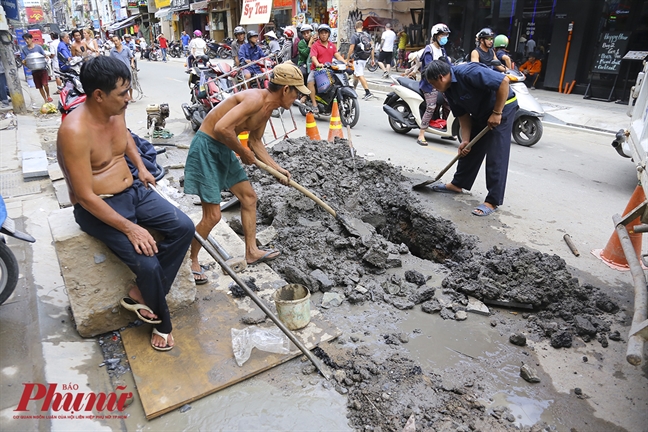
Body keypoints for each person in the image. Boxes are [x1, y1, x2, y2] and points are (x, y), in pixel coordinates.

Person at [57, 56, 194, 351]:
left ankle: (142, 295)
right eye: (122, 93)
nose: (129, 99)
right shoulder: (74, 131)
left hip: (133, 190)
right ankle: (163, 323)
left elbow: (126, 140)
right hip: (99, 205)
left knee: (184, 226)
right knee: (148, 264)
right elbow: (84, 196)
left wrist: (141, 167)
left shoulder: (116, 111)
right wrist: (131, 229)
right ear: (98, 95)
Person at [183, 63, 310, 283]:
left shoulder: (268, 109)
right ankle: (191, 260)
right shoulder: (254, 99)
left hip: (223, 147)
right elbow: (221, 128)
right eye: (297, 92)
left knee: (249, 198)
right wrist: (242, 152)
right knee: (213, 216)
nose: (298, 97)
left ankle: (251, 251)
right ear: (286, 89)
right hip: (207, 147)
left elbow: (256, 142)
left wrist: (278, 170)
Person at [424, 59, 518, 216]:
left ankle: (492, 201)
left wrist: (497, 113)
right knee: (469, 149)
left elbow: (504, 81)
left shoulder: (469, 73)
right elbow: (462, 115)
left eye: (434, 84)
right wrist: (466, 141)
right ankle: (458, 184)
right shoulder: (448, 90)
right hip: (482, 112)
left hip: (503, 107)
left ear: (441, 77)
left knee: (496, 153)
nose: (434, 88)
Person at [416, 23, 452, 146]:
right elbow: (427, 70)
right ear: (435, 36)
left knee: (450, 103)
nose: (445, 38)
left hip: (442, 84)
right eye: (443, 35)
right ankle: (421, 134)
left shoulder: (442, 50)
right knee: (431, 106)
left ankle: (446, 130)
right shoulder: (429, 50)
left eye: (446, 35)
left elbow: (448, 65)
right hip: (429, 85)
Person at [307, 24, 346, 113]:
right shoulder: (315, 45)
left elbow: (337, 55)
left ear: (329, 34)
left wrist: (345, 63)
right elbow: (313, 57)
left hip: (329, 69)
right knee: (310, 82)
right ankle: (314, 104)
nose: (324, 35)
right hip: (317, 70)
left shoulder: (332, 45)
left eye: (326, 33)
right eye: (322, 33)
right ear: (319, 35)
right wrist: (317, 64)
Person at [346, 20, 374, 101]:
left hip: (358, 58)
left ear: (355, 27)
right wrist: (372, 59)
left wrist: (348, 58)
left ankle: (368, 92)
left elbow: (351, 48)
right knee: (356, 75)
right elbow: (372, 47)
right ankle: (353, 90)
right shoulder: (367, 35)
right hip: (365, 57)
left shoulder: (355, 36)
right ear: (362, 27)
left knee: (360, 75)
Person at [20, 33, 52, 103]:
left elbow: (44, 56)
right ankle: (45, 99)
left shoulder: (38, 47)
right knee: (39, 86)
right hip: (34, 70)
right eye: (25, 39)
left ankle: (48, 95)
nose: (27, 41)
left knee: (45, 84)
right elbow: (25, 60)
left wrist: (47, 58)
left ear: (32, 39)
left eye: (28, 39)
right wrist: (25, 63)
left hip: (42, 68)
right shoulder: (24, 49)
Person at [110, 35, 135, 101]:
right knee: (121, 84)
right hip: (118, 71)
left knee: (129, 83)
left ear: (120, 40)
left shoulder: (126, 49)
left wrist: (132, 63)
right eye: (114, 41)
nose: (115, 42)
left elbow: (132, 57)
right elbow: (111, 61)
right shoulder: (112, 51)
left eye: (116, 40)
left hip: (127, 68)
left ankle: (131, 97)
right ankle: (124, 97)